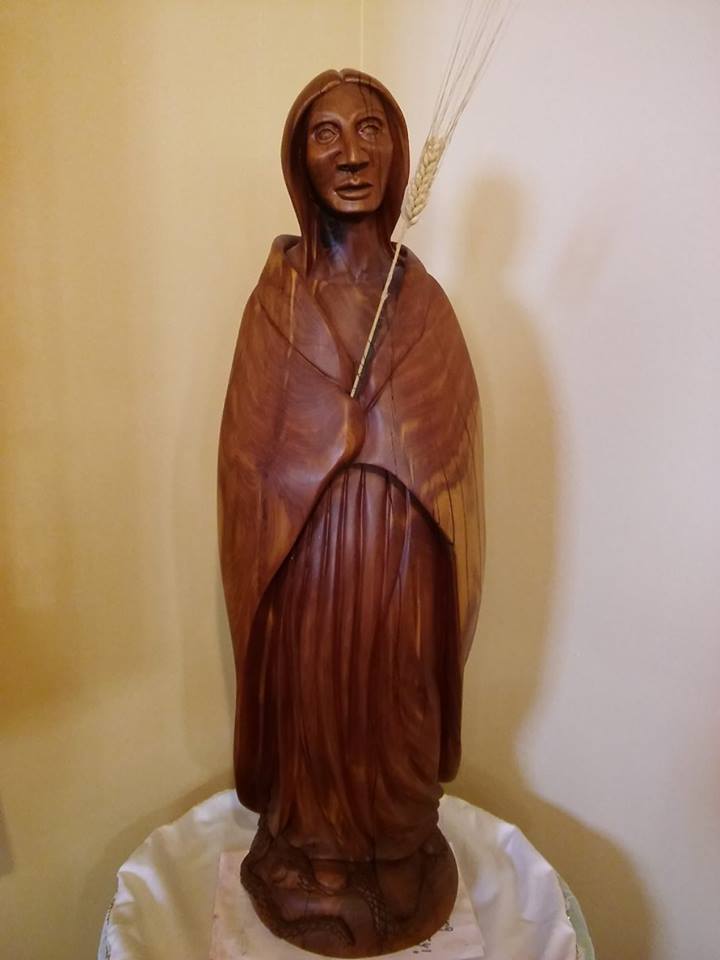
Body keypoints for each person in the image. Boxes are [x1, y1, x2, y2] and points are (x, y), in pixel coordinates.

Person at [218, 68, 484, 957]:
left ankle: (399, 847)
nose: (351, 154)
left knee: (398, 694)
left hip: (405, 555)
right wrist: (318, 439)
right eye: (325, 133)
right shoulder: (278, 301)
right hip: (308, 558)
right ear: (298, 160)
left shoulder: (424, 303)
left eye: (370, 130)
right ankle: (316, 853)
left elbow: (453, 440)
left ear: (398, 152)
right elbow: (246, 457)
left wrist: (395, 439)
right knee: (317, 703)